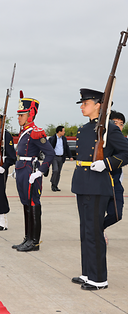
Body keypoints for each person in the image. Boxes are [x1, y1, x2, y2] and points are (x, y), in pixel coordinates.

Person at [71, 89, 128, 290]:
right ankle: (88, 272)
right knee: (85, 230)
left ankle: (99, 278)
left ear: (98, 105)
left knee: (94, 231)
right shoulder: (84, 129)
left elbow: (126, 152)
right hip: (83, 183)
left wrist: (107, 163)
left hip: (97, 184)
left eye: (85, 103)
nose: (82, 106)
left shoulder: (109, 129)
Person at [12, 91, 54, 252]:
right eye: (19, 115)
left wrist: (41, 171)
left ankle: (34, 241)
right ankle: (27, 238)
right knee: (25, 204)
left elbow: (50, 154)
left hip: (31, 171)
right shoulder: (25, 131)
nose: (19, 117)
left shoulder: (36, 132)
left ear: (30, 114)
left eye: (22, 115)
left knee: (33, 203)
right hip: (22, 169)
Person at [103, 110, 126, 236]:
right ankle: (97, 233)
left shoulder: (123, 143)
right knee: (97, 213)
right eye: (115, 122)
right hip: (100, 182)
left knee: (116, 214)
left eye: (121, 124)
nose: (118, 126)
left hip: (116, 183)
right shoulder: (102, 141)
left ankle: (100, 228)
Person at [48, 125, 73, 191]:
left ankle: (56, 185)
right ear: (59, 131)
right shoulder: (52, 138)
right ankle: (53, 184)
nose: (64, 132)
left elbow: (67, 148)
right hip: (54, 157)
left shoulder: (64, 139)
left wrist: (70, 156)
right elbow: (49, 148)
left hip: (61, 157)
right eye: (63, 131)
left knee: (58, 172)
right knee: (55, 170)